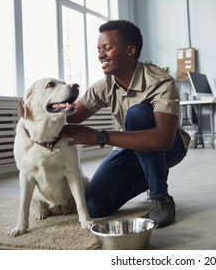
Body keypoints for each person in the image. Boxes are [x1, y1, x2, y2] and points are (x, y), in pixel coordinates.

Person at [58, 19, 190, 228]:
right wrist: (39, 108)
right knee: (94, 206)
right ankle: (152, 172)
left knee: (137, 114)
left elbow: (163, 139)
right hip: (131, 145)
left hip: (171, 146)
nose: (100, 54)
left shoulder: (160, 81)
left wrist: (98, 136)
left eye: (107, 48)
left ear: (130, 50)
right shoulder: (104, 86)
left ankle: (160, 197)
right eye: (98, 49)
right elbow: (70, 118)